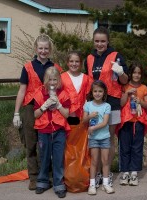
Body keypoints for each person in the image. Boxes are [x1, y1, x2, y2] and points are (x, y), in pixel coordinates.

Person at [12, 34, 63, 190]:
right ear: (36, 49)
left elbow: (62, 87)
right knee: (31, 143)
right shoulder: (27, 67)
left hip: (49, 108)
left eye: (46, 48)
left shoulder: (55, 67)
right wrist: (16, 113)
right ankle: (33, 177)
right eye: (40, 48)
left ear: (50, 49)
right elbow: (22, 90)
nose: (43, 51)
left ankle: (46, 175)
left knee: (47, 144)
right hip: (30, 107)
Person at [84, 26, 129, 187]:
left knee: (108, 139)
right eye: (97, 41)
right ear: (93, 41)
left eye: (103, 41)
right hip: (94, 104)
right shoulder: (89, 58)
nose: (100, 44)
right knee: (95, 138)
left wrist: (121, 71)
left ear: (108, 41)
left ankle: (106, 173)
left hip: (112, 102)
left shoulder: (116, 56)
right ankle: (95, 174)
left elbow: (124, 81)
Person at [33, 66, 70, 198]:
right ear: (45, 80)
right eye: (50, 80)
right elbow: (35, 115)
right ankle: (42, 181)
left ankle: (58, 183)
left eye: (55, 79)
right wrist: (44, 106)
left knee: (58, 158)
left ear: (59, 80)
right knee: (44, 157)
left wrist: (59, 105)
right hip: (44, 130)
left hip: (59, 130)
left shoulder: (64, 94)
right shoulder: (39, 94)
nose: (52, 82)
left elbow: (66, 114)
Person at [117, 62, 147, 186]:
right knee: (125, 147)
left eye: (139, 73)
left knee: (137, 147)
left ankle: (134, 172)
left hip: (139, 122)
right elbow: (121, 103)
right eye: (134, 72)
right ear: (130, 74)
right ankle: (125, 172)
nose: (136, 75)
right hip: (126, 122)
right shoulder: (125, 86)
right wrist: (126, 93)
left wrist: (140, 101)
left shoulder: (144, 88)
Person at [61, 51, 91, 192]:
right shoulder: (62, 78)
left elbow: (90, 97)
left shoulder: (86, 78)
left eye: (77, 61)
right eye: (71, 61)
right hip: (67, 118)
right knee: (68, 150)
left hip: (82, 119)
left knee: (82, 150)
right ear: (67, 62)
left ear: (81, 63)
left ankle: (82, 177)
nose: (74, 64)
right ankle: (68, 178)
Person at [83, 80, 115, 195]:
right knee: (94, 161)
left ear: (104, 92)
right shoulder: (88, 105)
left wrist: (93, 128)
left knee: (105, 161)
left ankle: (106, 183)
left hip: (104, 137)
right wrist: (90, 116)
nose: (97, 93)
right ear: (92, 92)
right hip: (93, 138)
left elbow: (105, 123)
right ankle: (92, 185)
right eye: (95, 91)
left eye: (100, 91)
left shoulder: (107, 106)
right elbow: (84, 120)